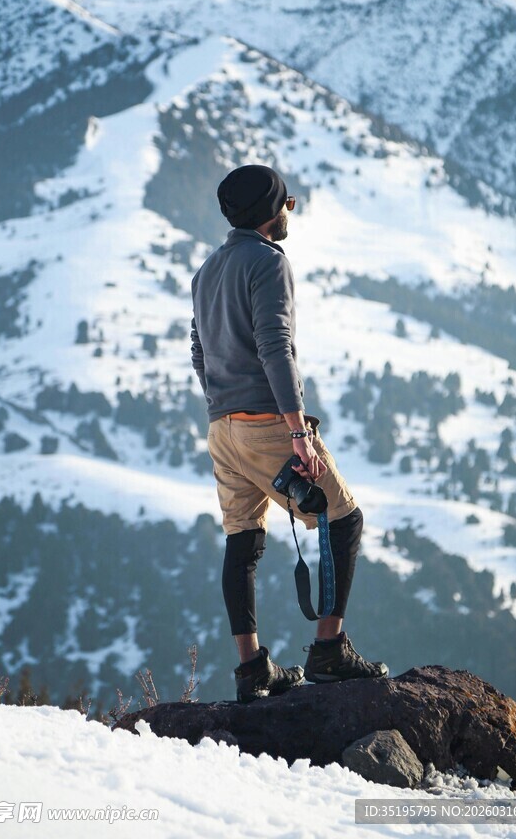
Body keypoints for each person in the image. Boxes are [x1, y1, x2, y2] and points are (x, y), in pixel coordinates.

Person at [190, 164, 388, 703]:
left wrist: (222, 405)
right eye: (287, 204)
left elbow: (199, 353)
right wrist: (297, 431)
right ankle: (328, 650)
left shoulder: (206, 270)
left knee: (243, 540)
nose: (289, 211)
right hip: (267, 425)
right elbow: (276, 346)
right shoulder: (268, 263)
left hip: (221, 429)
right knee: (343, 520)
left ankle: (253, 669)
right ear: (270, 213)